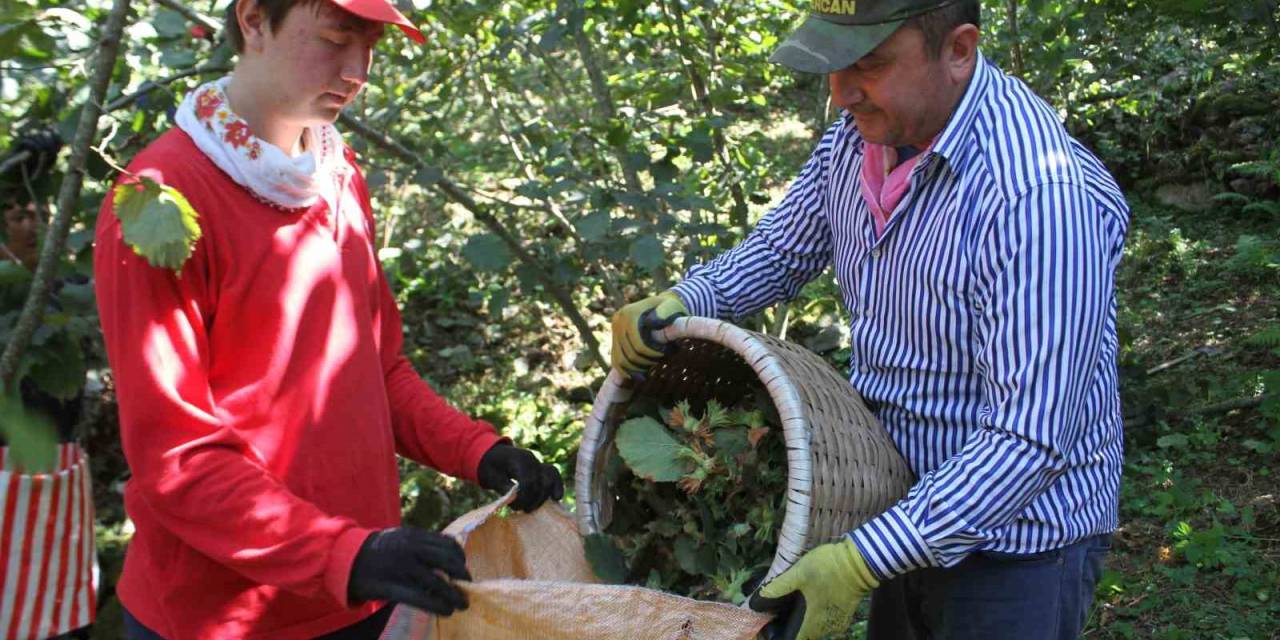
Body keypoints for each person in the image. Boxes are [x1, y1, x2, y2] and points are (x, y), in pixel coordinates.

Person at [612, 1, 1129, 639]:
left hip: (1018, 545)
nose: (841, 93)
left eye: (870, 64)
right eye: (833, 65)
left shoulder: (1040, 200)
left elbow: (1029, 437)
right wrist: (690, 298)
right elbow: (783, 249)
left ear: (958, 50)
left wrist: (863, 559)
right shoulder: (863, 136)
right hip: (895, 499)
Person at [92, 0, 563, 638]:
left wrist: (480, 451)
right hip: (220, 618)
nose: (357, 70)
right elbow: (178, 454)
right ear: (255, 19)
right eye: (336, 38)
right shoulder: (159, 204)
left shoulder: (338, 179)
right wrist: (344, 555)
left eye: (371, 46)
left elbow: (378, 370)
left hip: (357, 595)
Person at [0, 128, 99, 640]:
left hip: (59, 474)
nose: (31, 222)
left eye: (36, 212)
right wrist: (17, 166)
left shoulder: (70, 288)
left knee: (60, 614)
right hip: (4, 478)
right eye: (16, 215)